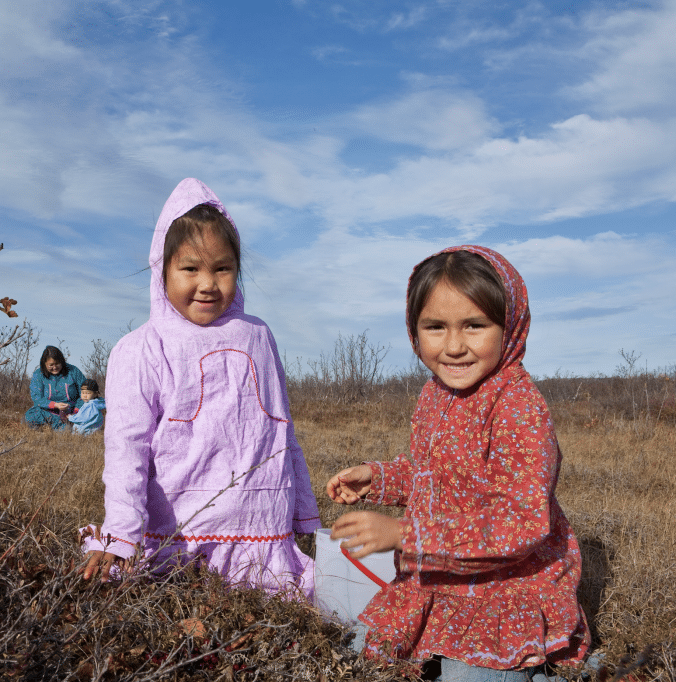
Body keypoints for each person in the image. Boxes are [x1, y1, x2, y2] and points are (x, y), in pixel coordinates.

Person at [327, 246, 590, 681]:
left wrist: (404, 535)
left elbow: (520, 523)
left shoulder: (517, 405)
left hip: (503, 587)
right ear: (414, 331)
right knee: (361, 652)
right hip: (440, 573)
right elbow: (437, 477)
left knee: (471, 675)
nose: (453, 347)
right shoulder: (435, 395)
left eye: (474, 326)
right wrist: (381, 478)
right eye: (435, 327)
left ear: (510, 326)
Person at [81, 178, 321, 596]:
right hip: (180, 536)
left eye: (222, 268)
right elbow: (126, 447)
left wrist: (302, 514)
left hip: (260, 531)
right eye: (190, 268)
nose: (208, 283)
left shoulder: (257, 336)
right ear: (162, 268)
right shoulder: (141, 348)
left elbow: (281, 431)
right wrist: (121, 534)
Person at [25, 346, 85, 430]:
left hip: (72, 410)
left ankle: (66, 426)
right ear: (44, 363)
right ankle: (62, 427)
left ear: (62, 361)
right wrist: (55, 405)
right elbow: (36, 398)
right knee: (30, 415)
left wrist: (76, 411)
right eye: (51, 365)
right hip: (48, 411)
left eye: (57, 364)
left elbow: (85, 392)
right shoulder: (38, 374)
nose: (55, 367)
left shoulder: (73, 371)